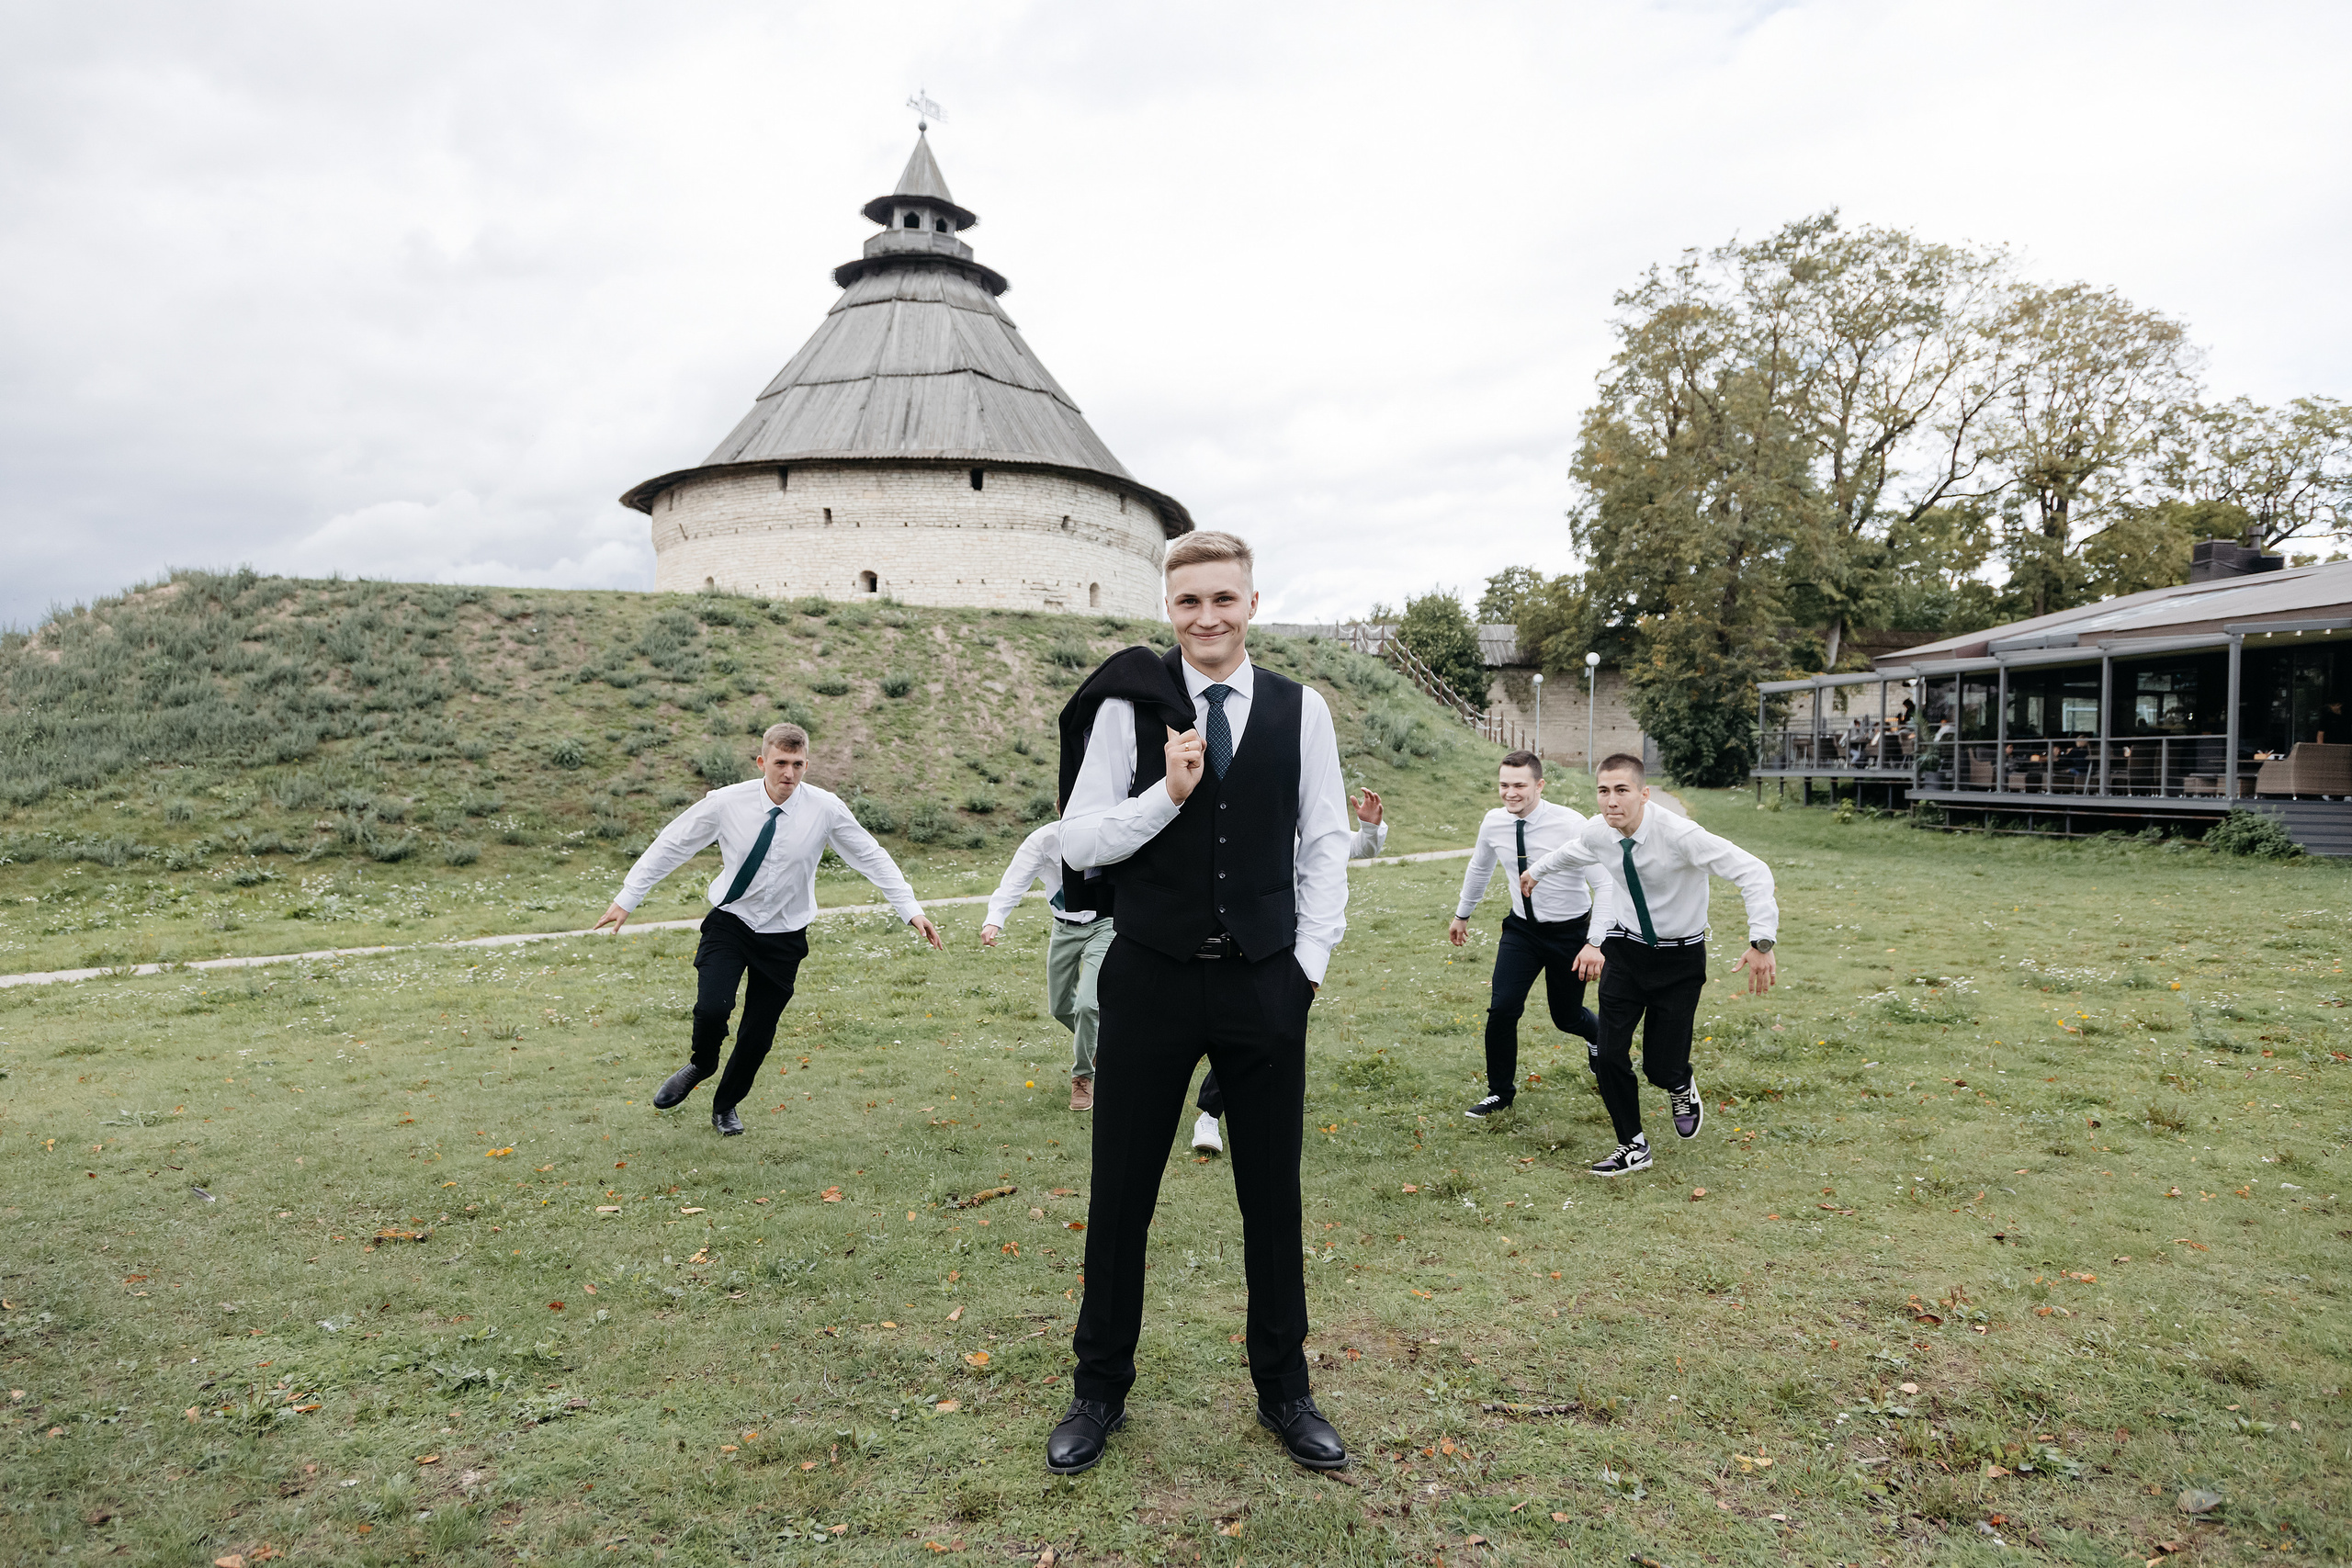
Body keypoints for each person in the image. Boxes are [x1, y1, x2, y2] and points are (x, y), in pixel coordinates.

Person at [1046, 529, 1352, 1477]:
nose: (1207, 618)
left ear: (1252, 604)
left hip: (1265, 977)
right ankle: (1098, 1389)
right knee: (1120, 1196)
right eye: (1189, 603)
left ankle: (1285, 1391)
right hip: (1148, 977)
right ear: (1168, 611)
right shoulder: (1128, 711)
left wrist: (1305, 966)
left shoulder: (1301, 713)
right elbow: (1082, 839)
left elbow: (1325, 842)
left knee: (1271, 1197)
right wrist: (1164, 797)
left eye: (1223, 599)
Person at [593, 723, 944, 1135]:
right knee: (712, 1008)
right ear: (762, 762)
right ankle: (701, 1064)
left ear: (807, 765)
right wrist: (627, 898)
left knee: (757, 1036)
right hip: (731, 923)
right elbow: (673, 843)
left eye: (797, 765)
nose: (789, 774)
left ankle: (725, 1107)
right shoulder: (726, 803)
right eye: (780, 763)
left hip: (785, 936)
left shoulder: (825, 808)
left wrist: (910, 908)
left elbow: (871, 856)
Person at [1519, 753, 1777, 1177]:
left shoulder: (1680, 835)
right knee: (1609, 1053)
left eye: (1621, 791)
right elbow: (1576, 850)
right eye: (1603, 791)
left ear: (1643, 793)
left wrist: (1761, 941)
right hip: (1625, 950)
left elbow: (1753, 871)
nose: (1611, 801)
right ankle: (1632, 1146)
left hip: (1679, 958)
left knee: (1660, 1066)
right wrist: (1538, 872)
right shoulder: (1598, 830)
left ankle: (1679, 1081)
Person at [1189, 786, 1385, 1155]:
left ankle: (1238, 1116)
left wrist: (1370, 829)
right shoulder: (1249, 821)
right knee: (1242, 1028)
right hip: (1249, 939)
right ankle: (1210, 1115)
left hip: (1297, 946)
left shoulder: (1310, 826)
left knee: (1270, 1032)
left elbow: (1351, 849)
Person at [1447, 750, 1615, 1119]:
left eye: (1520, 785)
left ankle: (1595, 1039)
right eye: (1504, 785)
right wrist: (1463, 914)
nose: (1511, 793)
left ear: (1539, 785)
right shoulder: (1493, 823)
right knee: (1502, 1008)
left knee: (1567, 1017)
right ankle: (1499, 1093)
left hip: (1570, 934)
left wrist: (1594, 942)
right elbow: (1479, 869)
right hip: (1521, 931)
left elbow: (1606, 886)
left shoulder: (1572, 825)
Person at [979, 811, 1114, 1111]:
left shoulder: (1109, 832)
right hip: (1064, 928)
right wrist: (994, 920)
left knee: (1087, 1005)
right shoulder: (1043, 841)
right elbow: (1014, 881)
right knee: (1061, 1007)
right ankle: (1099, 1044)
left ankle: (1082, 1078)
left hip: (1104, 925)